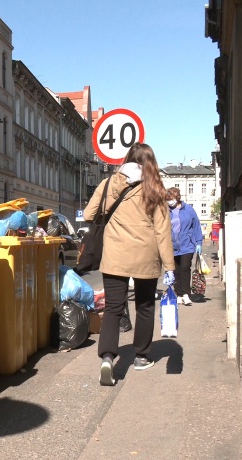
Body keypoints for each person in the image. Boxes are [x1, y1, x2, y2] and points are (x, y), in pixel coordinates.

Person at [83, 143, 175, 385]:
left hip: (114, 255)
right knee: (144, 306)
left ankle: (107, 358)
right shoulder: (155, 188)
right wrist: (170, 267)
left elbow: (88, 214)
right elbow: (163, 231)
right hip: (146, 255)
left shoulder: (109, 184)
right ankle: (142, 357)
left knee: (114, 307)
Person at [166, 187, 203, 305]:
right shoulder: (166, 211)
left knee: (185, 268)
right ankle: (179, 294)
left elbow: (196, 225)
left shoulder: (188, 210)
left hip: (187, 245)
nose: (169, 201)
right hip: (172, 246)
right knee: (175, 271)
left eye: (170, 199)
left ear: (177, 198)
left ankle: (186, 294)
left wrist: (199, 242)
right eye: (167, 199)